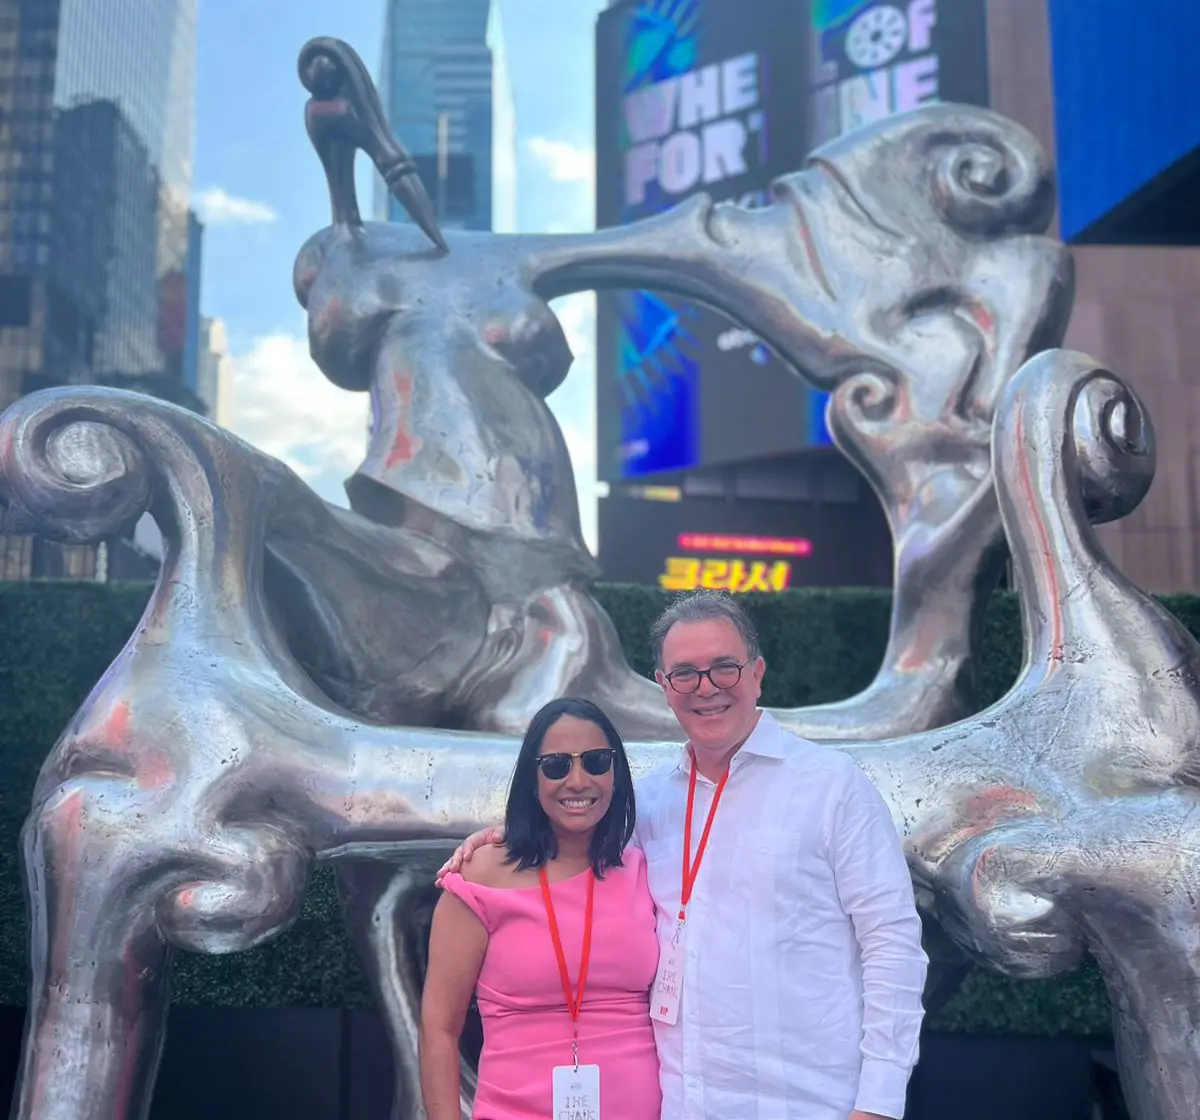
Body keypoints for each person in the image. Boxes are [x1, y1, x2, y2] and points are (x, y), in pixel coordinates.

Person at [439, 590, 929, 1120]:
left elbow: (893, 947)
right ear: (663, 687)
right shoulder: (645, 805)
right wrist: (504, 838)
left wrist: (878, 1103)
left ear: (757, 673)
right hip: (681, 1105)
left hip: (807, 1104)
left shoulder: (833, 789)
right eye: (685, 674)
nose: (707, 688)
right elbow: (569, 839)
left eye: (724, 668)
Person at [419, 696, 662, 1120]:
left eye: (596, 761)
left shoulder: (646, 868)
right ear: (532, 780)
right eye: (556, 765)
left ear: (616, 773)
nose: (578, 780)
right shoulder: (479, 879)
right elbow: (439, 1028)